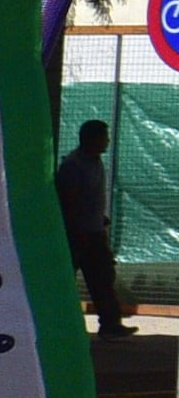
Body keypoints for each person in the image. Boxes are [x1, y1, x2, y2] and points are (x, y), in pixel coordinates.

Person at [59, 114, 125, 337]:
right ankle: (63, 325)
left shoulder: (95, 163)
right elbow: (69, 200)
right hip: (78, 234)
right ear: (92, 139)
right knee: (67, 280)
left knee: (104, 279)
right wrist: (78, 227)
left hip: (94, 231)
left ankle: (110, 324)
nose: (107, 142)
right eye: (104, 137)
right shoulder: (73, 166)